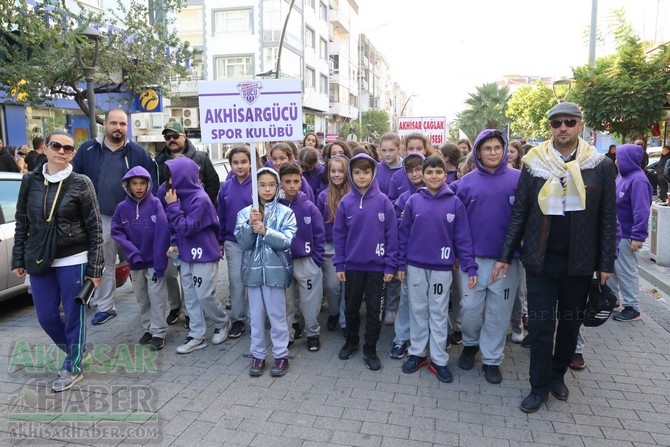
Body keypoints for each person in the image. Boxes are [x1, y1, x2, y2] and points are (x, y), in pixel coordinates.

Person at [494, 102, 617, 413]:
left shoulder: (599, 165)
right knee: (540, 326)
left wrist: (605, 264)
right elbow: (520, 212)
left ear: (580, 125)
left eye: (569, 122)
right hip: (540, 260)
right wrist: (505, 255)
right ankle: (538, 386)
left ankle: (557, 374)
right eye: (556, 123)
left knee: (570, 325)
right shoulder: (533, 164)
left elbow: (607, 217)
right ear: (549, 127)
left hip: (580, 262)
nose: (563, 128)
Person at [11, 132, 103, 392]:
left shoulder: (81, 183)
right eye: (56, 146)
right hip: (39, 257)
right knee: (47, 317)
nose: (61, 151)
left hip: (74, 257)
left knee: (75, 316)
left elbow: (95, 227)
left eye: (68, 148)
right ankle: (76, 351)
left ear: (72, 154)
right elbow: (22, 221)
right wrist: (18, 256)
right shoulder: (30, 180)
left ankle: (72, 366)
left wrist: (96, 268)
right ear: (46, 149)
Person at [72, 108, 157, 326]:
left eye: (122, 124)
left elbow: (151, 181)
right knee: (104, 262)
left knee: (140, 260)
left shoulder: (137, 151)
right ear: (105, 124)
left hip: (136, 216)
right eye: (114, 123)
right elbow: (75, 181)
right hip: (103, 217)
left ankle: (151, 308)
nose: (118, 128)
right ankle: (106, 306)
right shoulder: (88, 149)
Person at [397, 155, 478, 383]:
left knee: (439, 312)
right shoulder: (414, 201)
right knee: (418, 310)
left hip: (442, 267)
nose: (434, 176)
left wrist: (470, 267)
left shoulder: (455, 203)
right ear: (422, 175)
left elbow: (463, 239)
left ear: (446, 175)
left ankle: (439, 359)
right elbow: (403, 235)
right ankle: (418, 353)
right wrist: (401, 263)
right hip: (415, 266)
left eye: (438, 172)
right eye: (429, 172)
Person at [451, 129, 521, 385]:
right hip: (472, 261)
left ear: (504, 151)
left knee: (498, 312)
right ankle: (470, 344)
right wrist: (459, 254)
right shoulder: (465, 183)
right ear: (478, 152)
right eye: (487, 148)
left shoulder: (519, 180)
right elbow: (456, 224)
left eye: (497, 147)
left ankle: (492, 358)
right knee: (469, 308)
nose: (492, 152)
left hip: (507, 261)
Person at [334, 153, 398, 371]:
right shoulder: (346, 202)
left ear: (373, 173)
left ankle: (370, 347)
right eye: (357, 172)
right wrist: (339, 263)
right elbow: (339, 235)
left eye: (366, 172)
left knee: (375, 311)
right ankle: (351, 341)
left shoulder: (384, 202)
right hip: (352, 267)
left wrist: (390, 265)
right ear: (351, 175)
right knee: (351, 308)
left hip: (377, 269)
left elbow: (392, 236)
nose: (362, 177)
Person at [164, 157, 231, 354]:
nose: (169, 182)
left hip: (204, 254)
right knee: (191, 297)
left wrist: (173, 207)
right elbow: (174, 228)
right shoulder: (178, 197)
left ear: (183, 177)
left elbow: (188, 227)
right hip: (186, 254)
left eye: (173, 177)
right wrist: (175, 243)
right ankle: (197, 334)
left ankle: (221, 322)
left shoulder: (199, 199)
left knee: (204, 295)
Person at [235, 167, 297, 377]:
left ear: (277, 186)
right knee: (256, 316)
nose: (267, 189)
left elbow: (286, 241)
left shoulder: (286, 213)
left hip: (275, 274)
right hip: (253, 274)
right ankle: (258, 354)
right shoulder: (245, 213)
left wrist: (266, 231)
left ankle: (280, 355)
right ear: (255, 187)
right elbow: (243, 244)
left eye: (271, 184)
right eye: (262, 185)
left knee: (277, 316)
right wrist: (248, 225)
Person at [111, 166, 170, 350]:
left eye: (142, 183)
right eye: (134, 183)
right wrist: (132, 252)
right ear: (127, 185)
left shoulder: (155, 204)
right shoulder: (121, 207)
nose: (138, 187)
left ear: (148, 184)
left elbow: (163, 231)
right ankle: (148, 328)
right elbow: (116, 231)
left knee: (157, 296)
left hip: (154, 261)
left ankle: (159, 332)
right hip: (135, 262)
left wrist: (160, 260)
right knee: (142, 297)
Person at [279, 162, 326, 351]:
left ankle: (312, 332)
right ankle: (288, 333)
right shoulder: (275, 207)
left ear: (301, 182)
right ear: (280, 183)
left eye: (296, 181)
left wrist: (316, 260)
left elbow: (319, 235)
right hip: (283, 261)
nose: (292, 185)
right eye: (287, 181)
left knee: (310, 302)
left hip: (306, 261)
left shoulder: (309, 207)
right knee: (286, 302)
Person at [609, 143, 652, 321]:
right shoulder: (622, 176)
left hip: (626, 235)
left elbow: (641, 210)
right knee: (612, 268)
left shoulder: (638, 180)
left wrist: (638, 236)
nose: (616, 161)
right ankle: (612, 301)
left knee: (626, 270)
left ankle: (632, 307)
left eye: (619, 157)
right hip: (615, 233)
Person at [389, 153, 425, 360]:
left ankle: (428, 337)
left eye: (418, 169)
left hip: (432, 258)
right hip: (409, 257)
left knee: (431, 302)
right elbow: (395, 229)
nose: (415, 174)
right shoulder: (403, 199)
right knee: (406, 299)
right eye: (410, 170)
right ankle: (401, 338)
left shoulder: (440, 194)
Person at [217, 146, 253, 339]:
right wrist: (220, 240)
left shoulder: (257, 184)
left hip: (256, 241)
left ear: (250, 162)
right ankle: (238, 319)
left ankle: (256, 317)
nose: (240, 166)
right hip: (233, 241)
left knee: (254, 282)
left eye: (244, 162)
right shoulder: (226, 187)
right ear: (230, 164)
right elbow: (221, 215)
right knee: (236, 281)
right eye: (235, 162)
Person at [317, 155, 350, 333]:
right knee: (332, 285)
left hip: (350, 246)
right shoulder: (323, 196)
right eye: (333, 171)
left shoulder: (353, 194)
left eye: (340, 171)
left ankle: (344, 320)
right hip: (329, 247)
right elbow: (318, 223)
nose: (337, 175)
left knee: (347, 287)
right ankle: (335, 312)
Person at [155, 121, 220, 205]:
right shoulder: (159, 162)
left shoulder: (201, 158)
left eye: (175, 136)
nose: (171, 139)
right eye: (167, 137)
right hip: (170, 212)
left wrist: (202, 204)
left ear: (184, 136)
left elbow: (213, 183)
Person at [388, 133, 433, 202]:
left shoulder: (433, 173)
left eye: (419, 149)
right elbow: (391, 202)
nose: (415, 152)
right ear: (405, 150)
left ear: (425, 150)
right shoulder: (397, 176)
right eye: (411, 149)